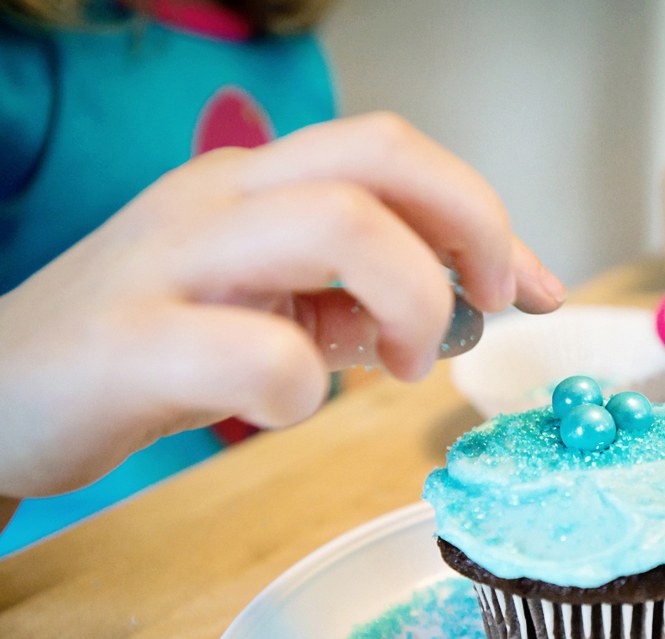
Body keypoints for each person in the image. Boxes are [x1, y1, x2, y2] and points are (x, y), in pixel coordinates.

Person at [0, 1, 567, 547]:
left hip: (290, 520)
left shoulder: (290, 54)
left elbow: (317, 313)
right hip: (82, 562)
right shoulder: (22, 67)